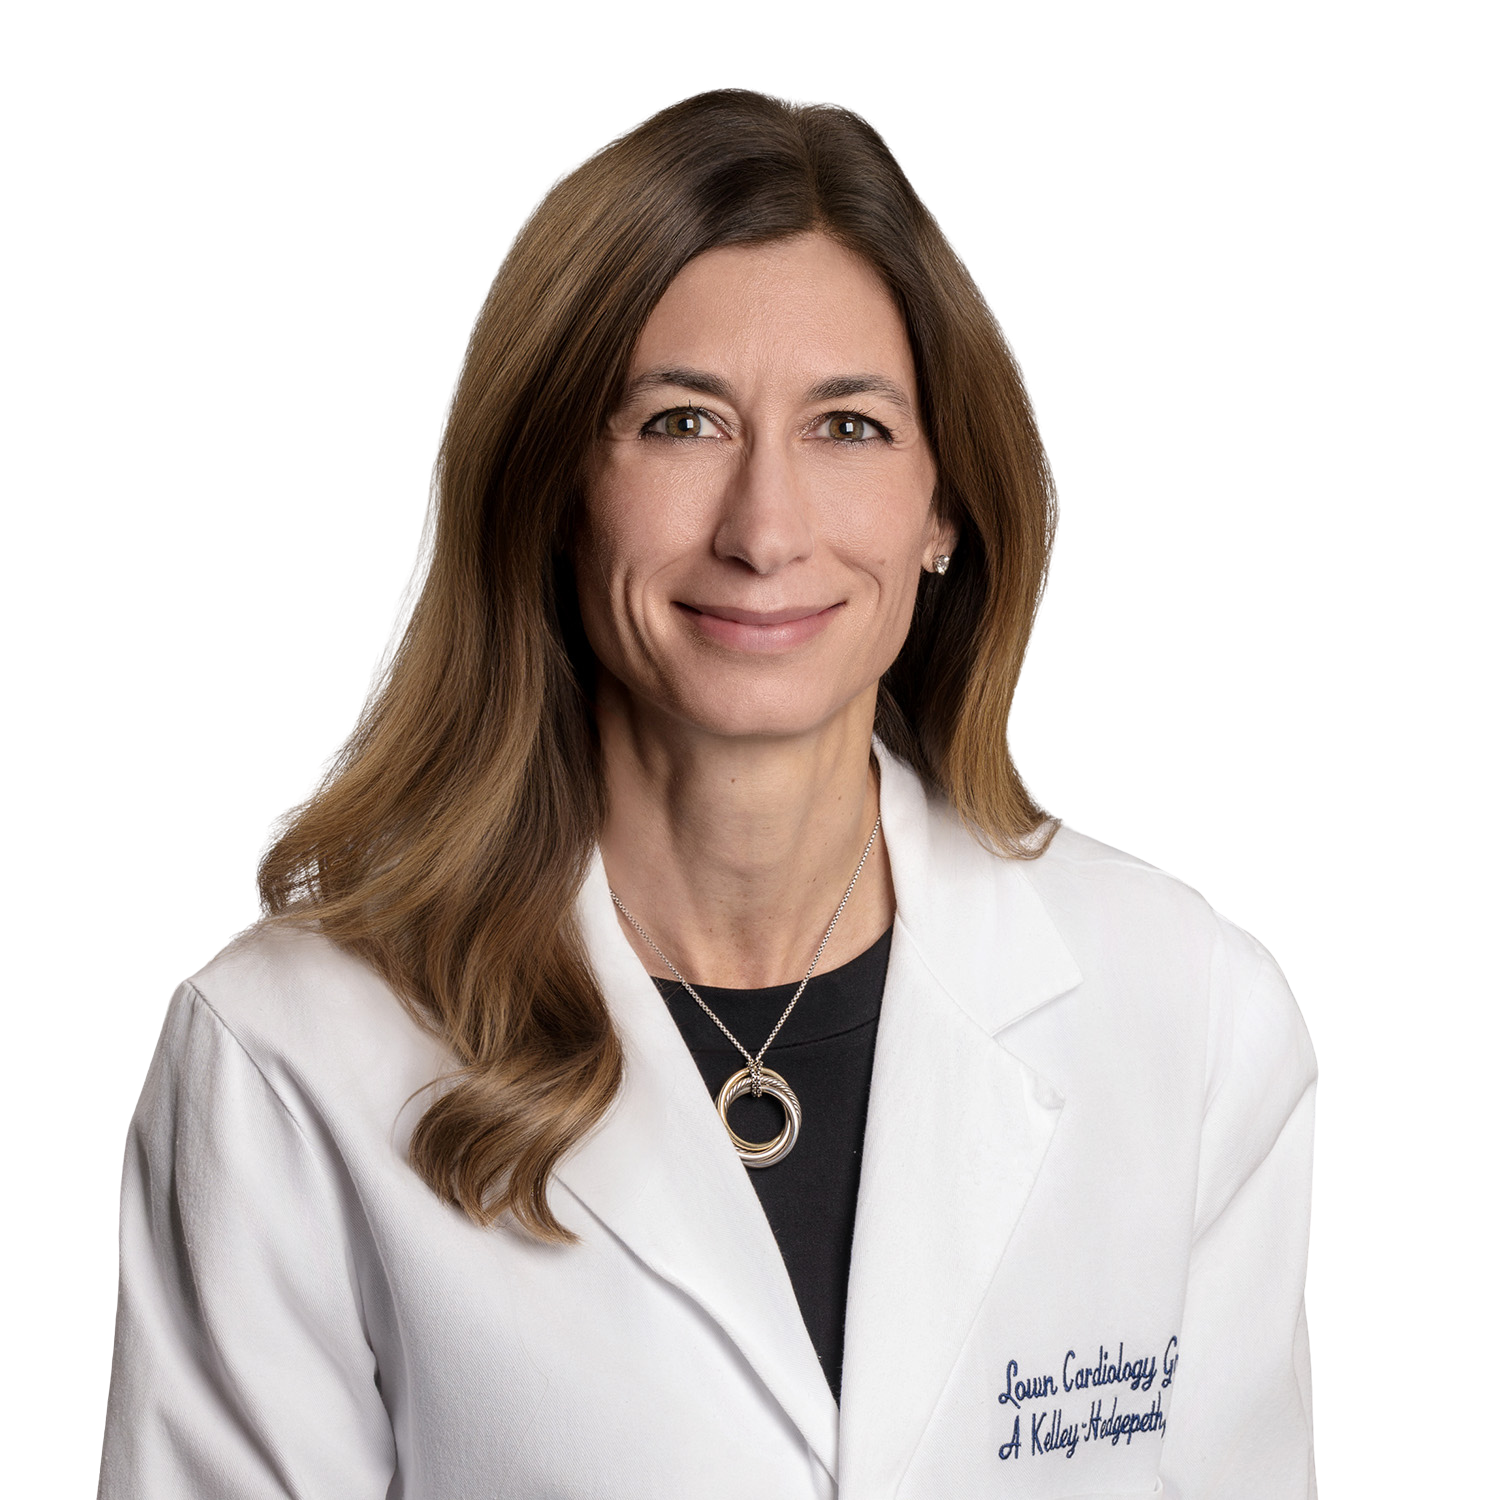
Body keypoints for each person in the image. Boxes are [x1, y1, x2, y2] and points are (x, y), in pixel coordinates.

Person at [99, 88, 1317, 1498]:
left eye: (849, 427)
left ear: (945, 508)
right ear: (553, 490)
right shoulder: (286, 1053)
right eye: (682, 423)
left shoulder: (1190, 1007)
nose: (763, 530)